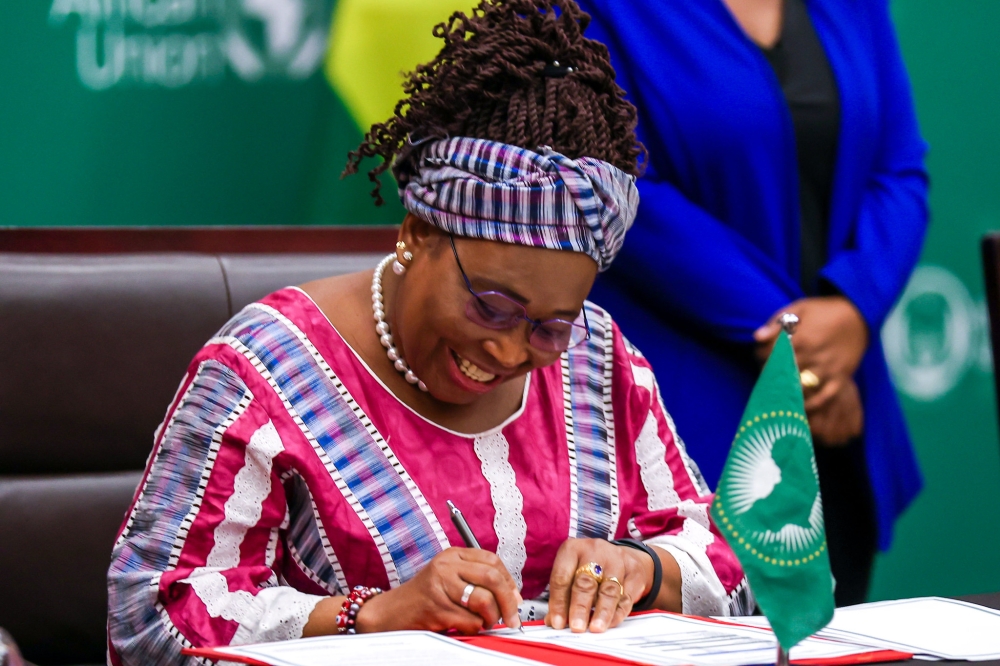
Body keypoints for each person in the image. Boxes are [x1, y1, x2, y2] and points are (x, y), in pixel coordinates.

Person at [106, 1, 751, 662]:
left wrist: (641, 568)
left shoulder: (598, 361)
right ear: (417, 233)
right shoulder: (265, 371)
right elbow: (155, 616)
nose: (507, 350)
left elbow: (727, 566)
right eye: (490, 306)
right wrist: (374, 614)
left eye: (549, 326)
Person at [574, 0, 929, 605]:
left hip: (834, 405)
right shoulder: (586, 10)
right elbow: (612, 181)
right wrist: (791, 335)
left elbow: (899, 171)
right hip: (682, 408)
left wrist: (851, 308)